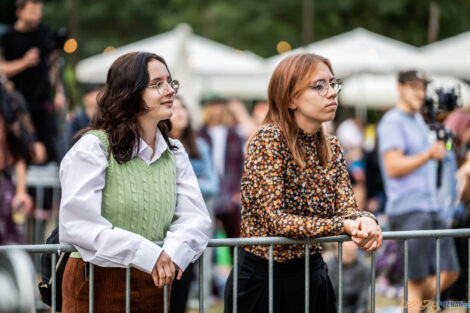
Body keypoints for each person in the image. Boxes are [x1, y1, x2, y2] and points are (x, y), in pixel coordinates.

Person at [224, 53, 382, 313]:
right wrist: (343, 225)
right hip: (264, 279)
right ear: (291, 98)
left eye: (333, 84)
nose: (331, 92)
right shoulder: (269, 139)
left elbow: (346, 205)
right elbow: (277, 220)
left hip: (311, 273)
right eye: (319, 86)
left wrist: (365, 220)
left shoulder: (331, 145)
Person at [59, 52, 212, 312]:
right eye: (157, 84)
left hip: (155, 278)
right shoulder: (93, 148)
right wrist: (148, 254)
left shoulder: (174, 151)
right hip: (96, 279)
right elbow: (78, 224)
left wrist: (171, 254)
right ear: (130, 92)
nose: (169, 91)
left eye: (170, 82)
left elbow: (196, 217)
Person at [377, 70, 460, 313]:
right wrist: (427, 155)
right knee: (416, 278)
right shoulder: (392, 121)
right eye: (414, 87)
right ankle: (411, 306)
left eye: (422, 87)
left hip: (431, 206)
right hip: (408, 208)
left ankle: (410, 307)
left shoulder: (418, 120)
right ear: (400, 88)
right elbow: (392, 167)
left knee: (451, 271)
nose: (420, 93)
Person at [169, 95, 218, 313]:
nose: (180, 113)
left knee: (194, 269)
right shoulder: (159, 145)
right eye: (174, 108)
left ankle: (204, 300)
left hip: (193, 221)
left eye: (183, 108)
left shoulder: (200, 146)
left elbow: (213, 184)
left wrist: (183, 182)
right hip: (166, 223)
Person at [0, 0, 65, 163]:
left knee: (50, 146)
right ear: (20, 12)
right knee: (23, 146)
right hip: (17, 102)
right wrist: (24, 62)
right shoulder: (8, 37)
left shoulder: (44, 33)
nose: (37, 14)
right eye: (32, 10)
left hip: (42, 100)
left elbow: (54, 66)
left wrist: (59, 92)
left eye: (39, 10)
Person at [199, 96, 244, 240]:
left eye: (219, 105)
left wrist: (239, 190)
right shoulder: (199, 134)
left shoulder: (233, 133)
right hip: (207, 192)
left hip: (230, 193)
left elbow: (240, 164)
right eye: (213, 105)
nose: (216, 110)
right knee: (207, 238)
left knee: (235, 237)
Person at [0, 79, 34, 245]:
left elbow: (20, 159)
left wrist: (21, 192)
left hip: (5, 198)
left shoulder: (11, 143)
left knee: (12, 243)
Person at [326, 242, 370, 313]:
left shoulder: (365, 268)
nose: (353, 241)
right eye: (348, 238)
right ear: (335, 242)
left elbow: (363, 303)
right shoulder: (326, 267)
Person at [64, 83, 102, 150]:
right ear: (86, 98)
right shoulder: (75, 120)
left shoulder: (104, 120)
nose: (100, 96)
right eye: (95, 93)